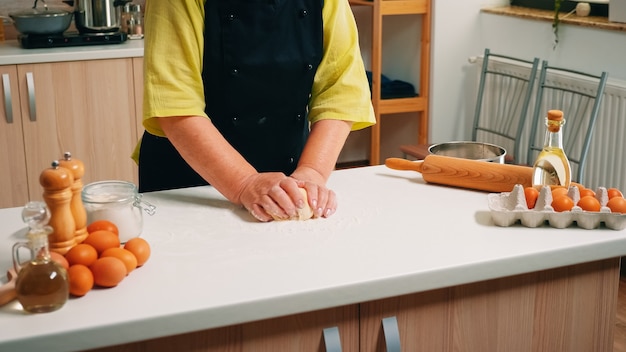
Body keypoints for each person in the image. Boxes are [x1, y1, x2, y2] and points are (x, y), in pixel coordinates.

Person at [134, 0, 375, 222]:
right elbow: (175, 103)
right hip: (190, 186)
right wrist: (244, 183)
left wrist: (312, 173)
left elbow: (341, 91)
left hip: (288, 183)